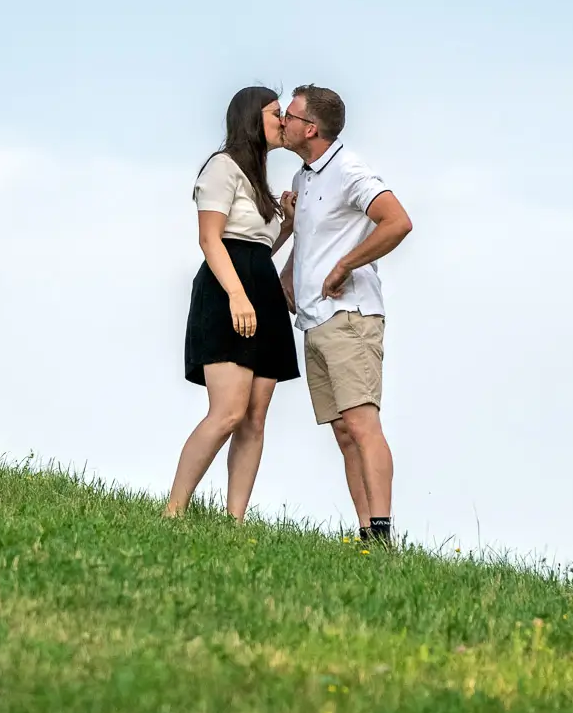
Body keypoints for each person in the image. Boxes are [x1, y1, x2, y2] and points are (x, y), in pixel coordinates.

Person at [276, 84, 413, 544]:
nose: (283, 122)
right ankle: (366, 535)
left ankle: (383, 535)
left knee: (361, 424)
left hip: (350, 315)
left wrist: (345, 266)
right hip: (315, 319)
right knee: (342, 431)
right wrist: (290, 272)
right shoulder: (303, 178)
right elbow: (314, 238)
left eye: (290, 115)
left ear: (311, 128)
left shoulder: (349, 169)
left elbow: (398, 222)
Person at [164, 86, 302, 521]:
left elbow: (258, 249)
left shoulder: (258, 178)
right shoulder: (222, 167)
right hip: (229, 291)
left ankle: (234, 522)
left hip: (261, 290)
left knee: (255, 418)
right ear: (252, 118)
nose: (284, 121)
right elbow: (210, 239)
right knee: (227, 412)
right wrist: (237, 296)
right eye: (276, 113)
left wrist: (287, 226)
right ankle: (173, 511)